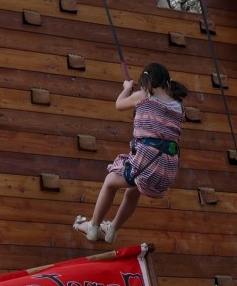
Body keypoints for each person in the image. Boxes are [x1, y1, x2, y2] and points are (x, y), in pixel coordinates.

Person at [73, 62, 187, 244]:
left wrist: (127, 88)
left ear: (146, 81)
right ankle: (112, 230)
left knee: (110, 182)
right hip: (167, 166)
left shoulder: (144, 96)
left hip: (148, 159)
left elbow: (119, 104)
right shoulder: (177, 105)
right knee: (133, 189)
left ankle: (93, 227)